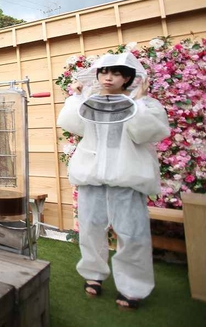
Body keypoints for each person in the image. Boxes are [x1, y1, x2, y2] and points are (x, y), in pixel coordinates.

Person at [57, 52, 170, 310]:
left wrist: (138, 103)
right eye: (104, 72)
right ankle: (93, 275)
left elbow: (145, 134)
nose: (108, 77)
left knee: (132, 233)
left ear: (128, 78)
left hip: (127, 176)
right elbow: (72, 124)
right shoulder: (89, 102)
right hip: (92, 176)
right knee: (89, 228)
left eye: (116, 73)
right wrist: (76, 96)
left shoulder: (144, 104)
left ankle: (133, 287)